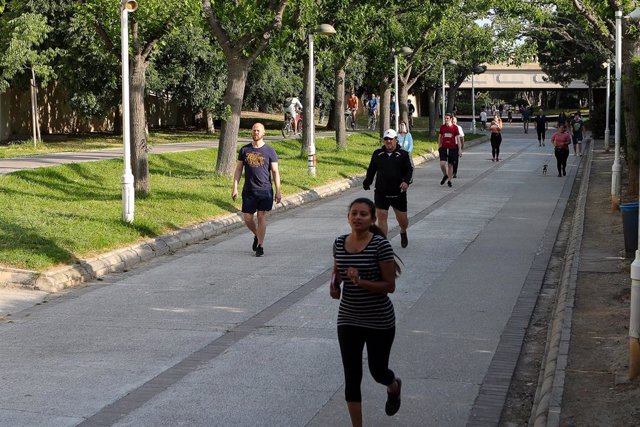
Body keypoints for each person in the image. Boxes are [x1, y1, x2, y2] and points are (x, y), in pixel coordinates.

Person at [330, 197, 403, 427]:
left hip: (378, 320)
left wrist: (361, 282)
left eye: (363, 214)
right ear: (348, 217)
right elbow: (337, 275)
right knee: (352, 376)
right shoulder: (339, 243)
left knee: (378, 371)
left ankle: (393, 386)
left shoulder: (381, 246)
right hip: (348, 318)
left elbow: (389, 286)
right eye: (354, 213)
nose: (358, 217)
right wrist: (334, 286)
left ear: (372, 218)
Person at [231, 123, 282, 257]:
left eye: (258, 131)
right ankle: (257, 235)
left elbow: (275, 172)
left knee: (261, 216)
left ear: (263, 133)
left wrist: (278, 190)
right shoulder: (244, 150)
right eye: (254, 130)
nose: (256, 133)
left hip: (265, 190)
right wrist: (235, 187)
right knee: (247, 218)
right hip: (249, 190)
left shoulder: (270, 151)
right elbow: (238, 170)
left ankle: (260, 245)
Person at [362, 129, 413, 247]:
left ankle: (403, 231)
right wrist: (367, 182)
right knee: (382, 216)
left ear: (396, 140)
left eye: (391, 139)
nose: (388, 141)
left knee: (403, 220)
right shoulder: (377, 153)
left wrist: (406, 182)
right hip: (381, 191)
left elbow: (409, 170)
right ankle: (383, 244)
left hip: (398, 192)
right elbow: (371, 170)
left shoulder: (404, 154)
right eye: (386, 139)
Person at [437, 113, 460, 187]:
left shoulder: (455, 128)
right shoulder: (442, 127)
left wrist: (460, 149)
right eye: (445, 118)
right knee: (442, 164)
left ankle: (449, 180)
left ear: (450, 119)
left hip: (452, 148)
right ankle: (445, 175)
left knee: (450, 165)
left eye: (447, 118)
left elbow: (458, 139)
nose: (446, 120)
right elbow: (440, 137)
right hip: (443, 147)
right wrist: (439, 146)